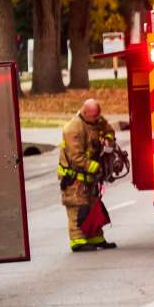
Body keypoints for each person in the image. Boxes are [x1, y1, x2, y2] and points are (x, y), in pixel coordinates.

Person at [57, 99, 117, 252]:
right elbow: (76, 158)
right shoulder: (73, 129)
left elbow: (109, 130)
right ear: (85, 113)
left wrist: (108, 141)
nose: (98, 119)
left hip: (89, 177)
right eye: (94, 116)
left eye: (98, 115)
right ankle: (78, 241)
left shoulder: (97, 121)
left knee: (92, 206)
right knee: (78, 206)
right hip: (75, 179)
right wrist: (97, 167)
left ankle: (95, 237)